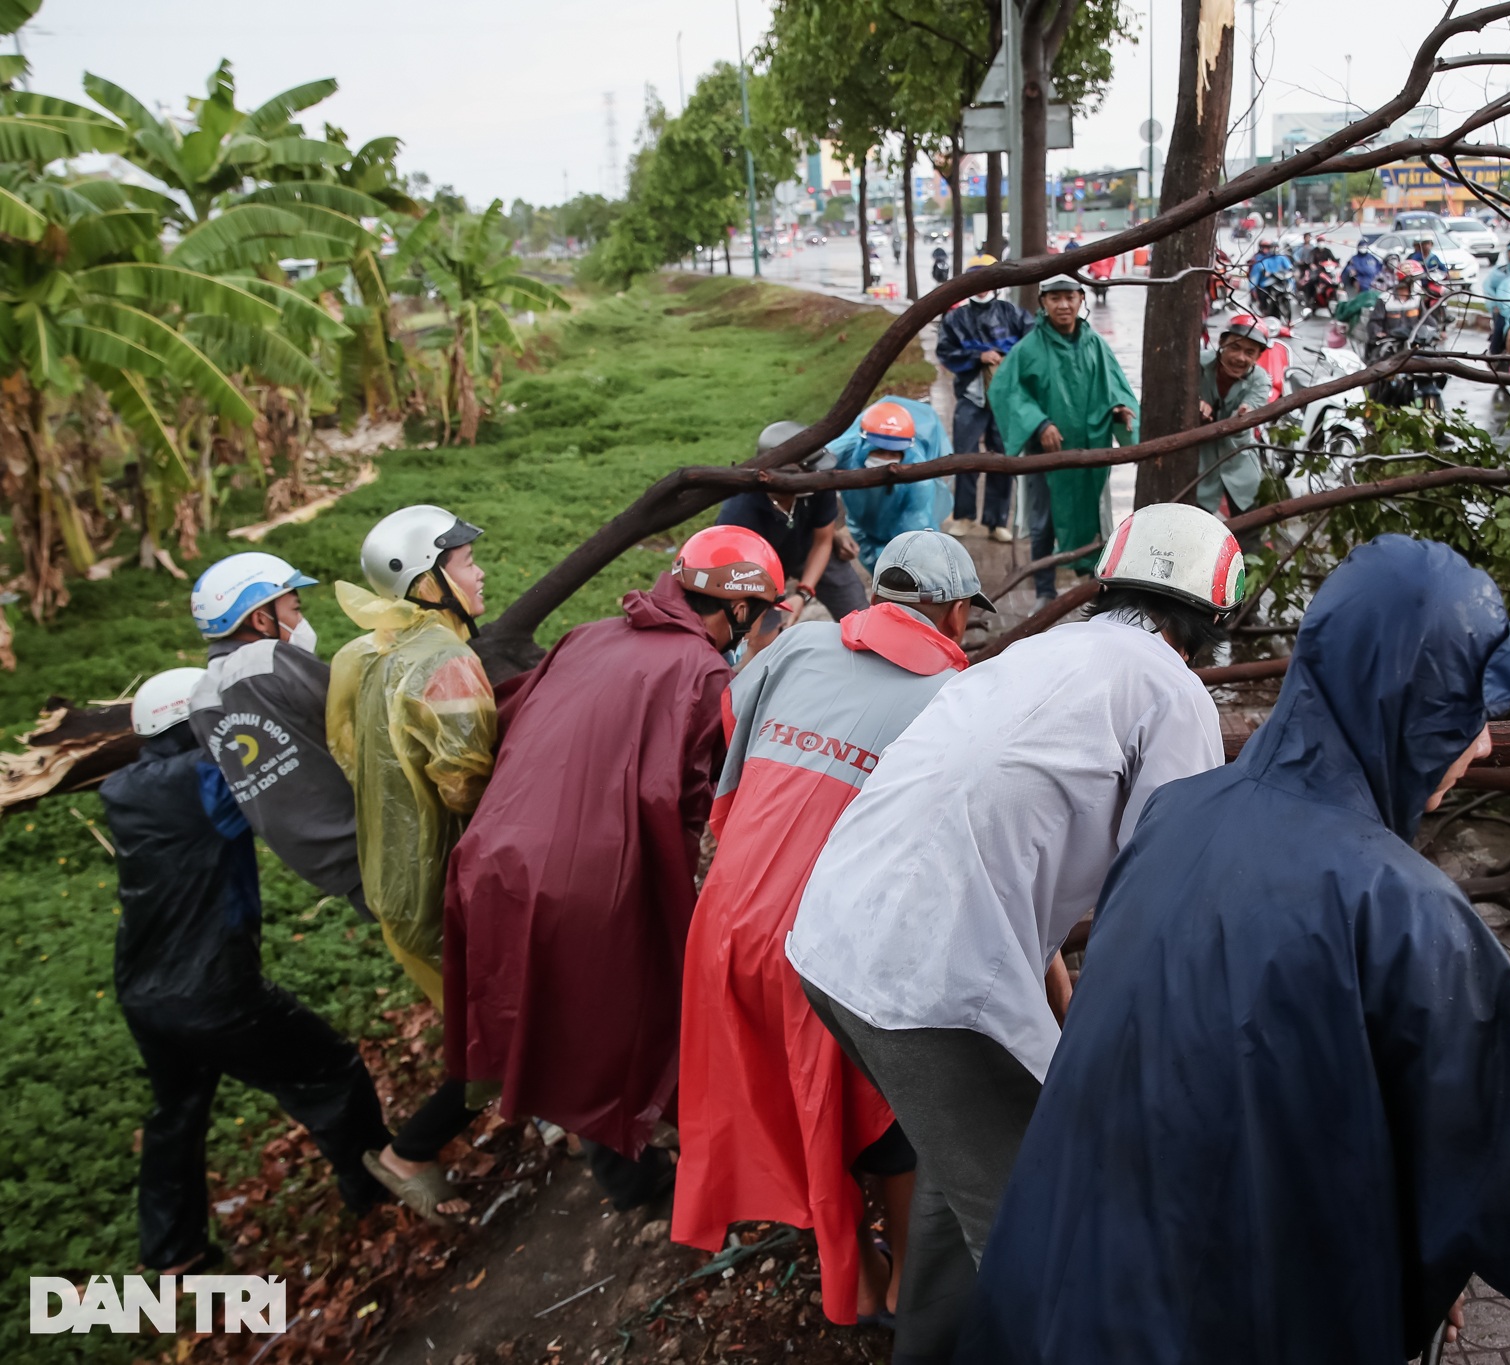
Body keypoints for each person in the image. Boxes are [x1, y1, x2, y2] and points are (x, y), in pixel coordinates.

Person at [957, 535, 1510, 1365]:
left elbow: (1227, 1081)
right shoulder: (1406, 914)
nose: (1485, 742)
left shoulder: (1178, 814)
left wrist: (1408, 1233)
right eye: (1470, 710)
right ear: (1406, 702)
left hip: (1041, 1291)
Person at [785, 502, 1244, 1364]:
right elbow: (1160, 903)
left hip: (830, 938)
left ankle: (927, 1345)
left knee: (963, 1152)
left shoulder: (1035, 651)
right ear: (1214, 619)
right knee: (1046, 1216)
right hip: (930, 986)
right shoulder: (1174, 694)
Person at [672, 530, 996, 1330]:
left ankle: (848, 1266)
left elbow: (732, 760)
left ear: (880, 597)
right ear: (955, 614)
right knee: (889, 1119)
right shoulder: (958, 702)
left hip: (722, 921)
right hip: (824, 943)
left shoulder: (799, 645)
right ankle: (900, 1291)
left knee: (792, 1102)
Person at [443, 527, 783, 1209]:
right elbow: (714, 793)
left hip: (489, 857)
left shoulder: (591, 633)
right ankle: (678, 1160)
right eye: (767, 614)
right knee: (639, 1005)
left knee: (562, 1011)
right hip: (587, 874)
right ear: (740, 611)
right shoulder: (705, 673)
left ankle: (608, 1145)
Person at [107, 669, 392, 1272]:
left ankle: (172, 1252)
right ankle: (377, 1187)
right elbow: (274, 784)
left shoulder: (124, 788)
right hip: (214, 989)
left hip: (143, 994)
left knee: (176, 1115)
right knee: (331, 1073)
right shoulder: (206, 779)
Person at [328, 504, 498, 1223]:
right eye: (463, 561)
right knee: (494, 1029)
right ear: (428, 583)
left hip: (396, 879)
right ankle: (408, 1154)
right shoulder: (444, 662)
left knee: (488, 1021)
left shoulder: (375, 653)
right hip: (439, 884)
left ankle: (562, 1116)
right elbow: (468, 781)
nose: (480, 569)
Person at [185, 552, 369, 919]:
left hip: (329, 864)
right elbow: (355, 711)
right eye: (295, 610)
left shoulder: (200, 698)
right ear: (260, 618)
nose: (302, 621)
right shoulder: (263, 660)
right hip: (375, 842)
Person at [985, 274, 1138, 606]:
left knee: (1092, 515)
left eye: (1070, 297)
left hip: (1088, 449)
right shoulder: (1029, 348)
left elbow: (1113, 386)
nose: (1063, 305)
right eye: (1055, 298)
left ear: (1082, 299)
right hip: (1048, 454)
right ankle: (1044, 590)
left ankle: (1092, 587)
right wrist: (1039, 423)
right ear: (1043, 303)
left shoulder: (1094, 344)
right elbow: (1007, 391)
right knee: (1044, 520)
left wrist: (1119, 409)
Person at [718, 420, 870, 620]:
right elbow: (737, 576)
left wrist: (803, 594)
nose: (819, 476)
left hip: (809, 547)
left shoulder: (818, 481)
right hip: (756, 569)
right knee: (762, 633)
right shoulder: (739, 513)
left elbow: (822, 540)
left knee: (858, 613)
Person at [935, 256, 1032, 544]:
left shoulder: (1012, 313)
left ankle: (996, 520)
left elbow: (1030, 345)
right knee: (965, 456)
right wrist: (977, 356)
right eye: (976, 279)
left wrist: (1006, 358)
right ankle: (964, 515)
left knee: (1001, 457)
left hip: (1005, 400)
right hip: (971, 396)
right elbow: (946, 351)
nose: (982, 286)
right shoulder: (956, 318)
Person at [825, 398, 954, 571]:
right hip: (862, 525)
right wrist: (831, 533)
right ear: (863, 441)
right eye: (879, 450)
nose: (885, 459)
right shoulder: (844, 451)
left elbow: (913, 538)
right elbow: (812, 478)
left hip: (902, 530)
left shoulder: (918, 481)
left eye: (894, 452)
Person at [1190, 315, 1274, 525]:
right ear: (1221, 344)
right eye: (1235, 347)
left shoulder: (1260, 379)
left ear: (1257, 357)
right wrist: (1195, 403)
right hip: (1200, 466)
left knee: (1251, 530)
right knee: (1194, 529)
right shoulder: (1196, 365)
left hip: (1240, 462)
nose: (1240, 358)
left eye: (1249, 352)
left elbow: (1253, 407)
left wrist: (1246, 415)